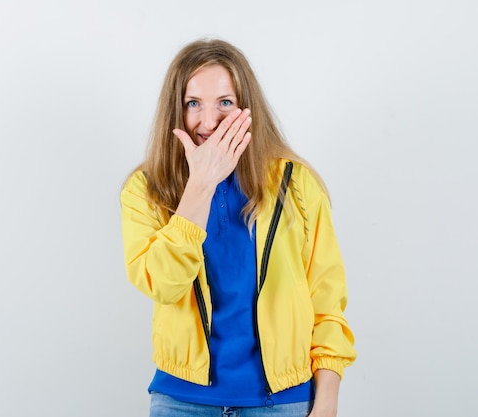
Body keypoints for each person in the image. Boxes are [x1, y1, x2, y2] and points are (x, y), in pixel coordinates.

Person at [120, 39, 356, 417]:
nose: (209, 122)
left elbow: (327, 305)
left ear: (247, 108)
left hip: (282, 403)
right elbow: (164, 283)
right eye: (193, 103)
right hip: (181, 402)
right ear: (175, 112)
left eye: (225, 103)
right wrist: (199, 186)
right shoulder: (146, 190)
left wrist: (326, 402)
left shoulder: (297, 184)